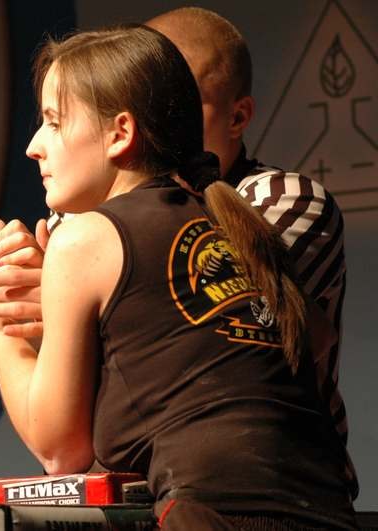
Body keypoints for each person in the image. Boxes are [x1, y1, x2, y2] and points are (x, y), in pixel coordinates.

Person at [0, 26, 357, 529]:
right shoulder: (238, 221)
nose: (34, 146)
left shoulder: (84, 238)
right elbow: (312, 339)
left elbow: (59, 451)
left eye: (54, 122)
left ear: (120, 134)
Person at [147, 4, 351, 476]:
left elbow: (217, 343)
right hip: (143, 489)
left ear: (237, 117)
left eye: (179, 105)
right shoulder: (94, 219)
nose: (155, 124)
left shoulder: (284, 198)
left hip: (274, 491)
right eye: (144, 102)